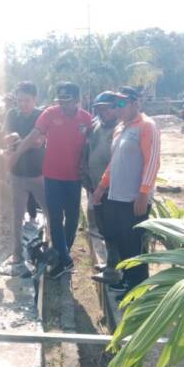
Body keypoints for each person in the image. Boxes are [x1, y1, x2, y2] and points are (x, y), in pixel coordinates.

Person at [14, 82, 93, 278]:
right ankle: (64, 259)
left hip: (74, 177)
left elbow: (90, 147)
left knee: (73, 217)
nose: (63, 105)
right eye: (60, 101)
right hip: (52, 176)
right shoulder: (50, 114)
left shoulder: (87, 119)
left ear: (77, 100)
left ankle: (62, 252)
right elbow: (34, 135)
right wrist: (16, 154)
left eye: (67, 101)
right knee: (56, 217)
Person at [93, 86, 161, 292]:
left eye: (121, 103)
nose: (117, 108)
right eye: (115, 104)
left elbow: (152, 162)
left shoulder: (147, 126)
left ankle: (137, 287)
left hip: (134, 198)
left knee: (135, 244)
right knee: (122, 241)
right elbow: (114, 163)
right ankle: (127, 279)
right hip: (116, 195)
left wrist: (143, 194)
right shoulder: (120, 128)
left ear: (135, 103)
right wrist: (101, 186)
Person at [2, 81, 47, 265]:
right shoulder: (12, 114)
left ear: (34, 99)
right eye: (20, 100)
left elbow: (39, 141)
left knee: (49, 212)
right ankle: (16, 253)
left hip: (39, 174)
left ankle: (49, 246)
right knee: (15, 216)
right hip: (17, 174)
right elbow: (3, 137)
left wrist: (18, 140)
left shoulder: (42, 115)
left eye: (27, 100)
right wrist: (10, 137)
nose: (23, 104)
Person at [80, 91, 120, 282]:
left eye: (106, 109)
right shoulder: (96, 126)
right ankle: (110, 262)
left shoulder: (120, 130)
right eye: (99, 109)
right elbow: (87, 150)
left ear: (115, 108)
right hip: (95, 186)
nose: (103, 113)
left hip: (112, 189)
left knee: (113, 228)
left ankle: (114, 269)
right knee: (102, 227)